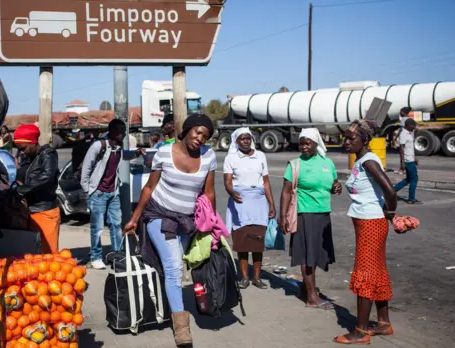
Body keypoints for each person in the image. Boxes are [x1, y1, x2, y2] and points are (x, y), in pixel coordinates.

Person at [123, 114, 217, 347]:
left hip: (187, 221)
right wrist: (134, 218)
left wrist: (211, 224)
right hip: (159, 216)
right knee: (175, 268)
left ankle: (165, 305)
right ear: (185, 131)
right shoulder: (164, 153)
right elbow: (150, 187)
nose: (200, 138)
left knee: (174, 266)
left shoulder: (209, 156)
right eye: (197, 132)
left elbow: (209, 193)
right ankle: (181, 328)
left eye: (205, 136)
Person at [334, 120, 398, 345]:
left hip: (372, 224)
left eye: (352, 138)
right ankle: (383, 323)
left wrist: (390, 213)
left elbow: (390, 190)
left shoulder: (369, 161)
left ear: (365, 140)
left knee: (365, 275)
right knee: (377, 272)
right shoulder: (360, 160)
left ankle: (360, 331)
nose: (347, 141)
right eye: (346, 138)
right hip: (368, 222)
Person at [279, 128, 341, 309]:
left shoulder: (328, 163)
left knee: (317, 254)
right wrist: (283, 217)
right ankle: (312, 298)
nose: (304, 147)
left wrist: (336, 188)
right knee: (307, 256)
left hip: (323, 215)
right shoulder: (295, 164)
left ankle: (306, 290)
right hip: (304, 215)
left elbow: (333, 184)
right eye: (301, 143)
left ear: (316, 143)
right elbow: (286, 192)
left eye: (308, 143)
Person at [81, 119, 144, 269]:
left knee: (116, 225)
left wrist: (136, 153)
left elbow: (124, 156)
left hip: (113, 192)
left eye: (124, 131)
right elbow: (86, 167)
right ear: (113, 131)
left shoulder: (118, 147)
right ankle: (96, 256)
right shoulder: (99, 145)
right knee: (97, 227)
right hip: (97, 193)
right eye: (121, 131)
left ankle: (117, 255)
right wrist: (87, 190)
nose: (123, 134)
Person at [224, 127, 275, 289]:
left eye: (248, 138)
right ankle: (245, 277)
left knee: (258, 242)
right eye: (242, 139)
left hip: (259, 203)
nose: (245, 141)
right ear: (236, 141)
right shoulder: (231, 158)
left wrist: (271, 204)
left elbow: (265, 181)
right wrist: (231, 192)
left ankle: (257, 277)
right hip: (240, 203)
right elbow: (228, 182)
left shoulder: (261, 156)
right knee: (242, 242)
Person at [13, 124, 61, 253]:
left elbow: (47, 176)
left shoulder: (48, 153)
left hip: (45, 211)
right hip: (31, 211)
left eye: (23, 148)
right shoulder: (27, 157)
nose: (21, 151)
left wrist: (22, 189)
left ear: (33, 142)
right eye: (18, 148)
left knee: (47, 255)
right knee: (33, 255)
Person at [393, 118, 421, 204]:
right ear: (408, 125)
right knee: (414, 179)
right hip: (408, 160)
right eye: (413, 126)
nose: (414, 127)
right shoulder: (403, 134)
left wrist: (415, 157)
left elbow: (411, 147)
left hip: (411, 159)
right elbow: (401, 148)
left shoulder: (409, 133)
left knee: (409, 178)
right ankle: (411, 199)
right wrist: (402, 162)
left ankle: (393, 190)